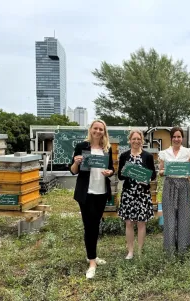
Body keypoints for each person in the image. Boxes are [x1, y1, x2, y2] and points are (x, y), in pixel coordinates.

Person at [70, 119, 115, 279]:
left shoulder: (106, 149)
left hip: (101, 192)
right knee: (89, 226)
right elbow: (73, 171)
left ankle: (92, 256)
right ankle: (92, 263)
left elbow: (112, 169)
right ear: (90, 130)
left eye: (101, 129)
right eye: (95, 128)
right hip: (86, 193)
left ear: (104, 132)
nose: (98, 131)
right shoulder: (82, 147)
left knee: (95, 226)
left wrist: (110, 173)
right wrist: (76, 162)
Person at [118, 129, 156, 259]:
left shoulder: (148, 156)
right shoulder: (124, 156)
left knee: (141, 223)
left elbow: (153, 174)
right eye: (133, 139)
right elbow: (120, 176)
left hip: (142, 194)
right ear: (130, 140)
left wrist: (147, 180)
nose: (136, 141)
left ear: (142, 141)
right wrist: (124, 171)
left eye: (138, 139)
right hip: (128, 193)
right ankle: (130, 251)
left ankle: (139, 251)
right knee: (129, 223)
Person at [158, 127, 190, 256]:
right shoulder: (164, 153)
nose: (177, 139)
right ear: (171, 138)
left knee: (184, 217)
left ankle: (183, 249)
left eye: (179, 137)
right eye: (174, 136)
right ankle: (170, 250)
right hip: (169, 185)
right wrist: (167, 170)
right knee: (169, 218)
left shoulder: (188, 153)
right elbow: (161, 172)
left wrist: (189, 172)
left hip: (184, 186)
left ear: (182, 138)